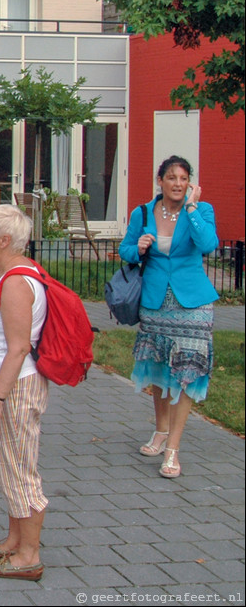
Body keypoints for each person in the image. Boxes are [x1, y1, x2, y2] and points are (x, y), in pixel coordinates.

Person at [119, 155, 219, 480]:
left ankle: (173, 448)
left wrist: (191, 209)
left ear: (190, 183)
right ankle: (160, 430)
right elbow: (125, 250)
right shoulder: (143, 212)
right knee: (159, 367)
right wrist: (141, 248)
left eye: (184, 178)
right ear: (159, 180)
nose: (178, 183)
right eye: (172, 177)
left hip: (192, 304)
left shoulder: (201, 211)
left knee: (187, 371)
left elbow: (209, 245)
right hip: (155, 300)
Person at [0, 204, 48, 581]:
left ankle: (28, 555)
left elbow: (18, 348)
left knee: (21, 470)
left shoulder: (16, 282)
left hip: (15, 389)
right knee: (11, 466)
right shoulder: (10, 274)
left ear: (4, 240)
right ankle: (15, 540)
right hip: (11, 387)